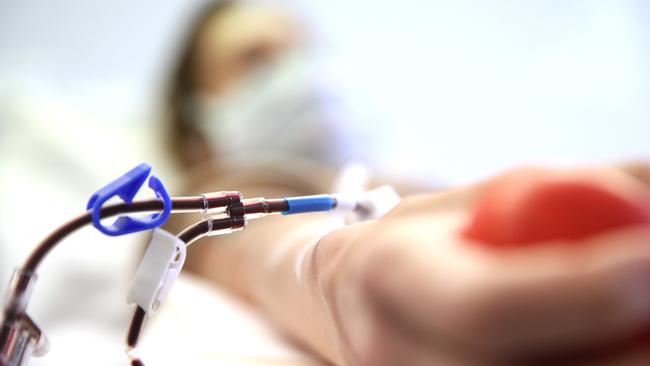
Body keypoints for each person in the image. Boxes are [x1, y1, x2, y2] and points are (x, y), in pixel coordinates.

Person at [162, 1, 650, 364]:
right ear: (199, 125)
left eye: (308, 49)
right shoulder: (215, 190)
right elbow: (252, 247)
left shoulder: (405, 179)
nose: (302, 73)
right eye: (255, 58)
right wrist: (337, 279)